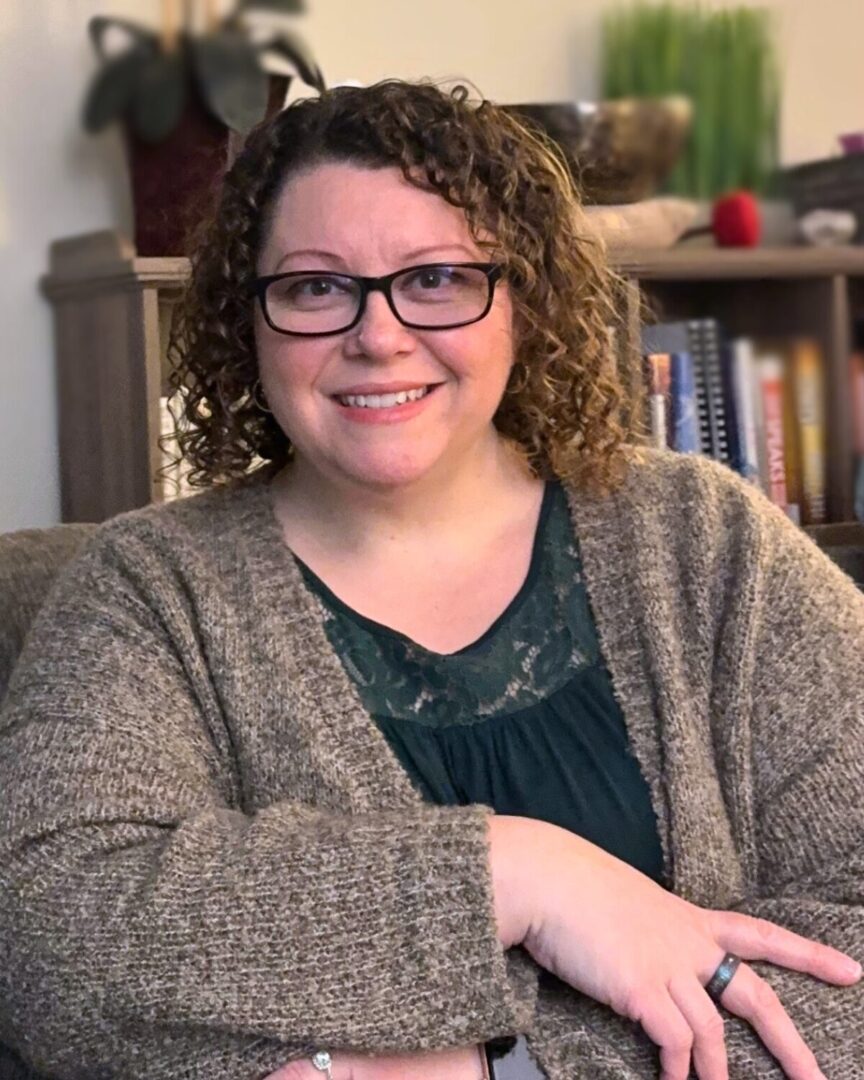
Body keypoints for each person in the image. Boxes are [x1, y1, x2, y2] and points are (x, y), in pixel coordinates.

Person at [0, 79, 862, 1080]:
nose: (377, 334)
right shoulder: (150, 591)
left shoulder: (708, 542)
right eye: (316, 286)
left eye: (440, 277)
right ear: (252, 322)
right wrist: (522, 877)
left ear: (524, 301)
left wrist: (488, 1068)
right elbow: (45, 940)